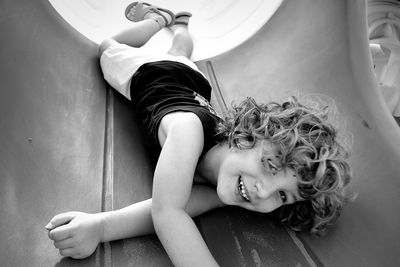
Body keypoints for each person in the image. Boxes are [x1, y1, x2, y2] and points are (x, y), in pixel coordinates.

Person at [45, 2, 352, 266]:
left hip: (194, 83)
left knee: (181, 52)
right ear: (246, 136)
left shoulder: (235, 185)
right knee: (107, 46)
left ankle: (179, 26)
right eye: (270, 167)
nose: (263, 192)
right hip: (149, 72)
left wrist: (101, 227)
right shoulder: (187, 131)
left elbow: (178, 206)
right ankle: (157, 20)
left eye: (282, 195)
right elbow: (169, 212)